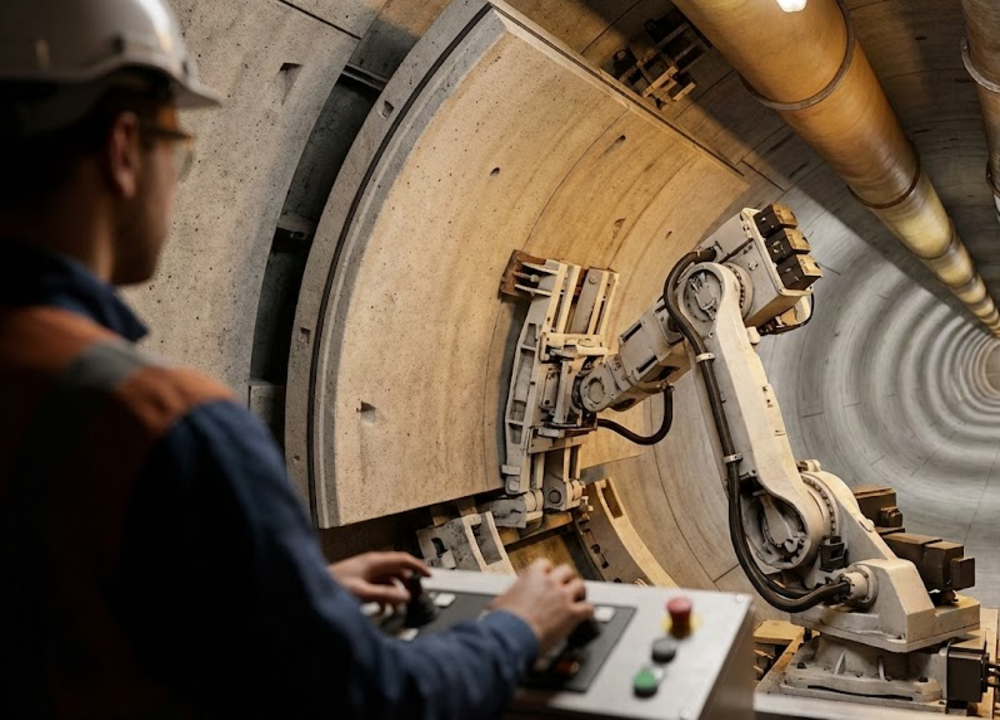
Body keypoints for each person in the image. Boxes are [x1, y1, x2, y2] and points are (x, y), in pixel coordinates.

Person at [0, 1, 593, 718]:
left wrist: (285, 595)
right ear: (124, 149)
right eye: (178, 149)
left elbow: (69, 600)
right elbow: (372, 700)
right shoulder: (159, 425)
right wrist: (516, 629)